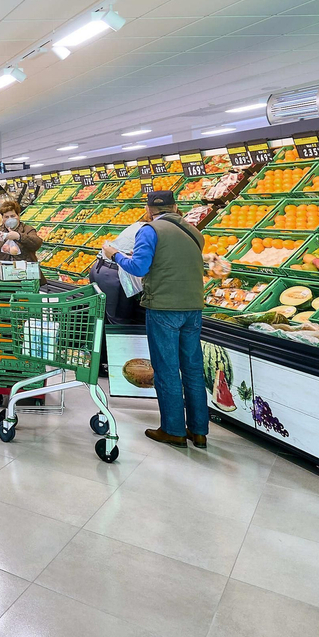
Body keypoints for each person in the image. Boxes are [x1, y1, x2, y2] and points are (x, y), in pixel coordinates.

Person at [102, 189, 207, 449]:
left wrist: (113, 254)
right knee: (193, 369)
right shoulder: (194, 231)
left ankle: (173, 430)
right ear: (176, 206)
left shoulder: (149, 230)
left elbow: (139, 267)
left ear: (149, 210)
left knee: (167, 369)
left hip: (163, 308)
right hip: (193, 307)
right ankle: (199, 431)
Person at [0, 199, 42, 264]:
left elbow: (37, 243)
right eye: (6, 217)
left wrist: (19, 237)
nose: (10, 219)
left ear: (18, 215)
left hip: (24, 270)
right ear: (2, 218)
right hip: (4, 269)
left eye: (13, 216)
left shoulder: (27, 229)